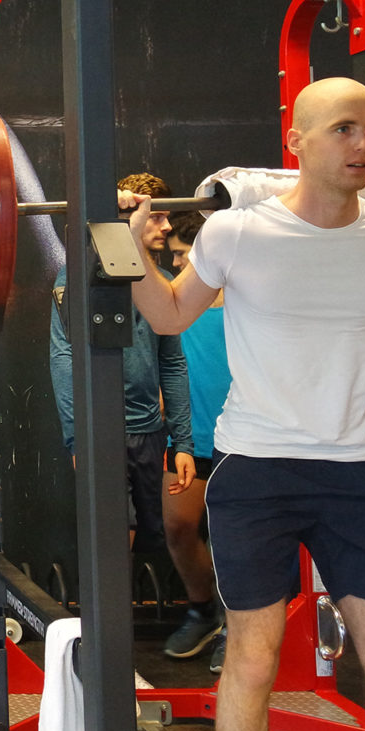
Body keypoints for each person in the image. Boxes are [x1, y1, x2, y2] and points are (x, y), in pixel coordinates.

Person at [125, 76, 365, 731]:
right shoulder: (237, 230)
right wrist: (125, 243)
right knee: (254, 657)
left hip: (351, 472)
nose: (363, 144)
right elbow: (170, 313)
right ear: (296, 141)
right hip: (255, 469)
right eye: (344, 129)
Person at [48, 172, 196, 559]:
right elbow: (63, 357)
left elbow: (172, 364)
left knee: (151, 538)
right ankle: (108, 605)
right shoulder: (77, 279)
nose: (167, 227)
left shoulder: (164, 283)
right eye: (156, 216)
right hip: (102, 432)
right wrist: (77, 438)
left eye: (166, 216)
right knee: (117, 532)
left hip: (150, 433)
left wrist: (182, 443)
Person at [161, 209, 230, 670]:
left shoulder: (246, 299)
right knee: (178, 527)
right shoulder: (171, 303)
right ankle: (203, 611)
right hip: (189, 439)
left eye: (183, 255)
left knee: (232, 540)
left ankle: (235, 627)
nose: (176, 265)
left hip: (240, 440)